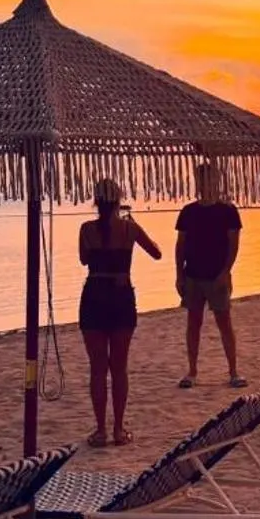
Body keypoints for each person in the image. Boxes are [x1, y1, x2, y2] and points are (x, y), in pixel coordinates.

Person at [78, 178, 162, 447]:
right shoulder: (129, 229)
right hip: (121, 296)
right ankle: (118, 429)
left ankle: (101, 430)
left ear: (96, 201)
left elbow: (84, 259)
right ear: (118, 200)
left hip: (94, 296)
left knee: (97, 369)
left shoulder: (87, 229)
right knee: (119, 367)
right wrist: (133, 226)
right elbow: (157, 254)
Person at [176, 162, 246, 389]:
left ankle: (233, 371)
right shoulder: (189, 211)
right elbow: (181, 244)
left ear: (217, 182)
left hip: (217, 274)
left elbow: (233, 245)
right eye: (202, 180)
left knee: (224, 322)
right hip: (193, 274)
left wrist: (226, 272)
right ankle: (192, 371)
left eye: (210, 180)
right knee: (193, 322)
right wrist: (179, 274)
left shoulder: (228, 211)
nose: (205, 184)